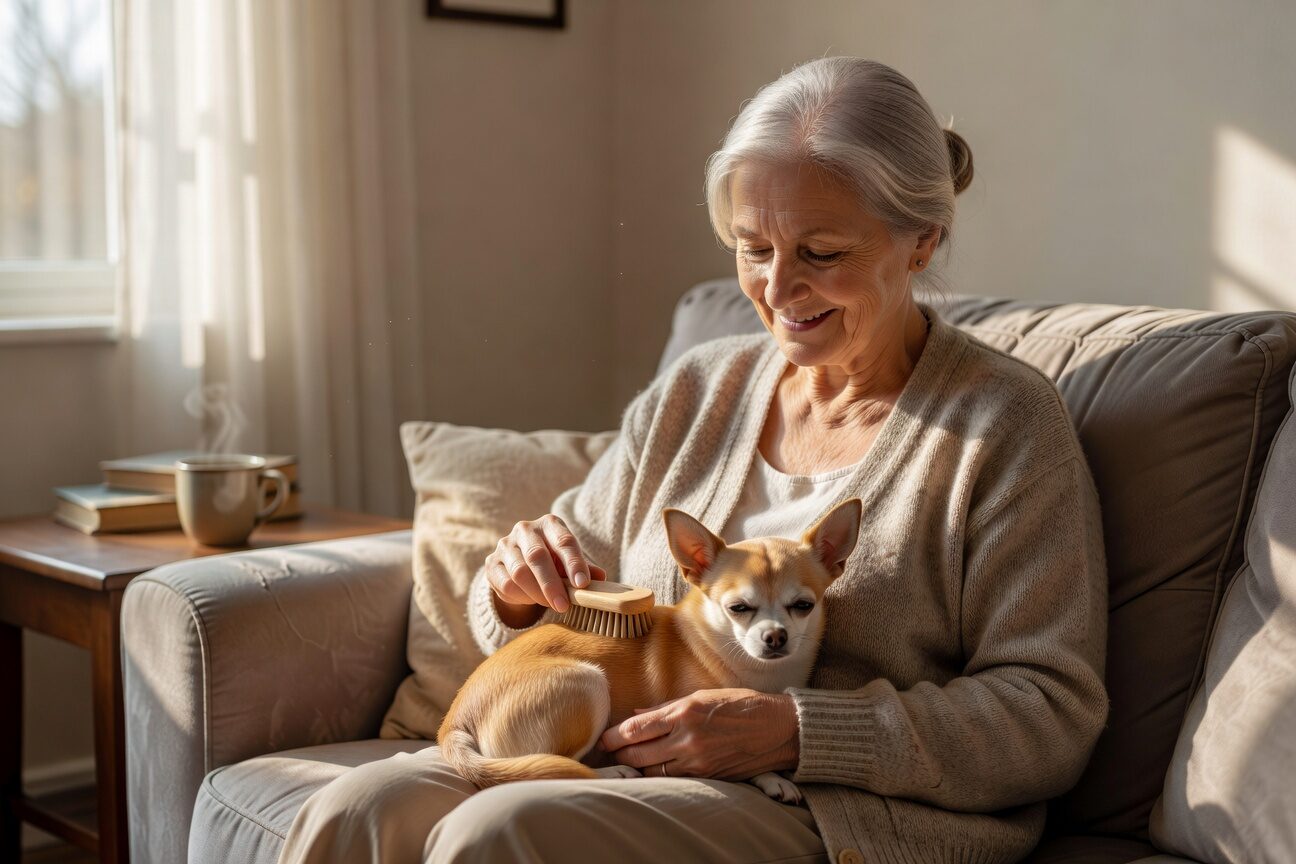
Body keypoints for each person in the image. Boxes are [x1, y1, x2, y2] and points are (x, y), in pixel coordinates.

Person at [279, 56, 1107, 864]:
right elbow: (566, 595)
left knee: (495, 833)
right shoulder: (698, 391)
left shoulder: (1005, 425)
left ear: (921, 241)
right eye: (753, 247)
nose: (777, 290)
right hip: (616, 754)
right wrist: (518, 588)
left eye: (821, 253)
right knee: (359, 807)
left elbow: (1049, 715)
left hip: (831, 806)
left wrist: (795, 731)